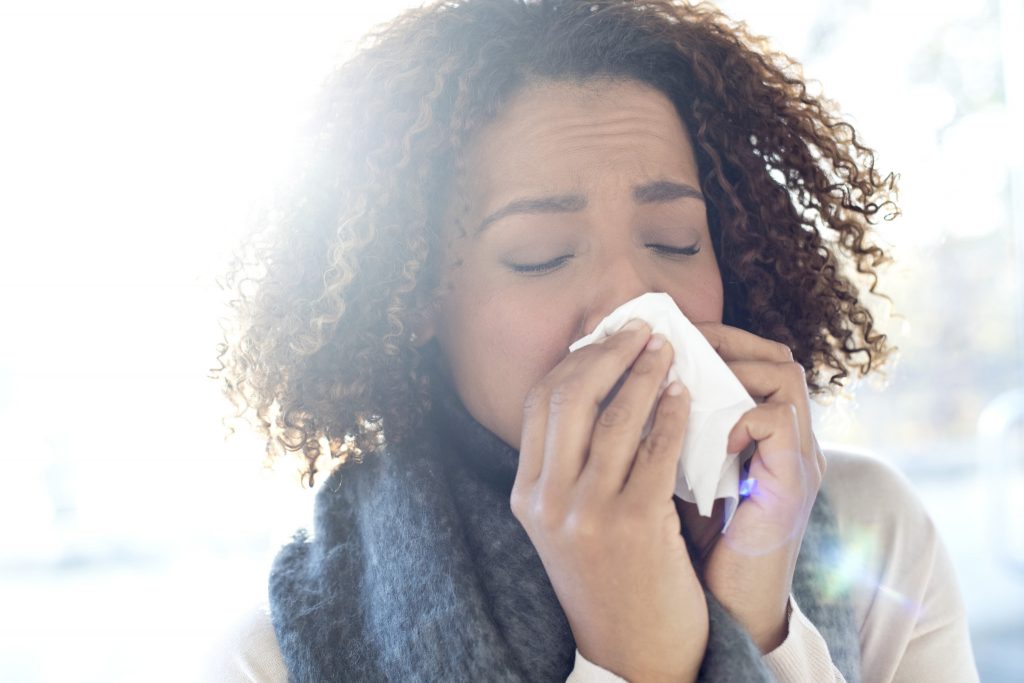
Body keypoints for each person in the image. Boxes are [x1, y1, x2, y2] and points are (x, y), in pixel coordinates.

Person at [205, 1, 978, 681]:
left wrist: (758, 625)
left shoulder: (876, 535)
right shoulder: (277, 657)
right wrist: (640, 665)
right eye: (541, 253)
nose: (634, 303)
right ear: (411, 298)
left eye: (677, 241)